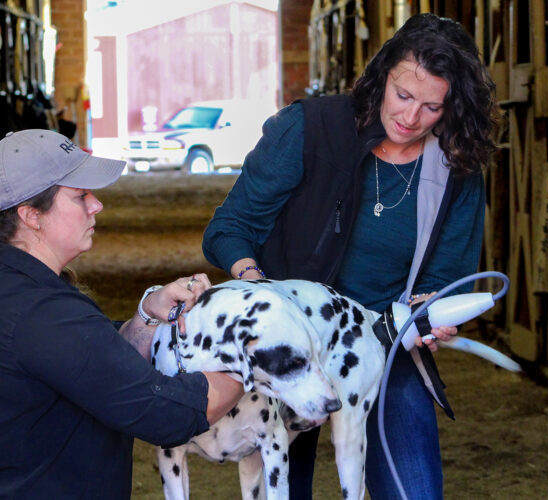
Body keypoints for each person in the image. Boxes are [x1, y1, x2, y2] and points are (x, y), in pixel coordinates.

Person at [202, 13, 498, 500]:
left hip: (386, 342)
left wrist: (430, 313)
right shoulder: (309, 128)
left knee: (415, 490)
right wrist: (258, 288)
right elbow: (228, 229)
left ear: (452, 109)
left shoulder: (455, 166)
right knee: (282, 490)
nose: (410, 117)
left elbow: (448, 276)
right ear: (382, 76)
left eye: (431, 107)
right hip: (292, 344)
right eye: (403, 96)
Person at [0, 129, 244, 499]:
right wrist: (252, 353)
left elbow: (97, 369)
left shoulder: (6, 285)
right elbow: (166, 413)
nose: (96, 205)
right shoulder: (41, 312)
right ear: (31, 215)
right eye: (80, 195)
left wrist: (148, 315)